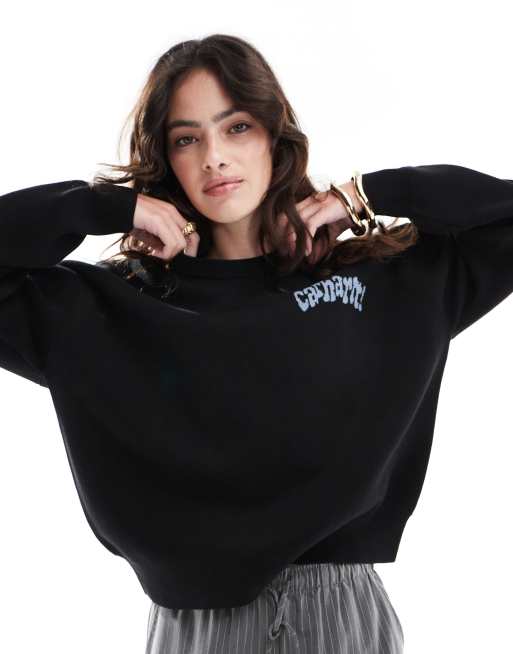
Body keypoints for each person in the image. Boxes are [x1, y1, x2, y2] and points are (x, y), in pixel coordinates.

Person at [1, 33, 512, 654]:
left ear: (275, 135)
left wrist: (369, 193)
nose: (214, 157)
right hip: (195, 628)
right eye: (186, 139)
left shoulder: (376, 283)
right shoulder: (114, 305)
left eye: (236, 127)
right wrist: (101, 207)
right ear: (166, 158)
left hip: (339, 617)